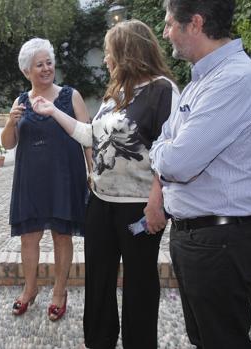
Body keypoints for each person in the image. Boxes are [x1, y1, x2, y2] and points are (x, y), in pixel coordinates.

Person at [31, 21, 179, 347]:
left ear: (128, 53)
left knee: (139, 280)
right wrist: (53, 111)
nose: (106, 60)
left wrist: (158, 202)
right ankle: (99, 341)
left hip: (138, 209)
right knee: (98, 279)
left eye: (110, 53)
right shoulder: (116, 94)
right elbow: (90, 135)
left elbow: (171, 151)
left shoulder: (162, 90)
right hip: (100, 204)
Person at [149, 1, 251, 348]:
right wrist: (166, 151)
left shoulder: (236, 80)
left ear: (196, 24)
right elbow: (165, 141)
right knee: (204, 339)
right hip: (199, 236)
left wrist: (162, 153)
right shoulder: (202, 80)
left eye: (170, 23)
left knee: (222, 340)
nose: (165, 32)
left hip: (221, 241)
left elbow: (177, 162)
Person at [1, 38, 90, 321]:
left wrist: (92, 169)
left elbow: (88, 136)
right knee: (29, 237)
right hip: (30, 179)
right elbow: (8, 144)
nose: (46, 68)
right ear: (27, 70)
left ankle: (59, 292)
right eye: (39, 64)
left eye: (49, 62)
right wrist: (10, 122)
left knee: (62, 235)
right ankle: (30, 289)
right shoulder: (21, 101)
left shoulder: (70, 95)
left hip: (64, 177)